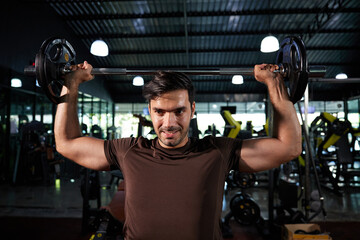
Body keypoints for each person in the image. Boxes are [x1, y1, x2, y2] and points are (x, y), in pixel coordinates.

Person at [54, 61, 302, 240]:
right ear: (150, 112)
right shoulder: (128, 150)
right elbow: (66, 142)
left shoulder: (217, 151)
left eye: (179, 111)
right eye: (159, 112)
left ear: (192, 109)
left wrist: (275, 84)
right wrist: (71, 83)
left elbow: (288, 147)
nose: (169, 123)